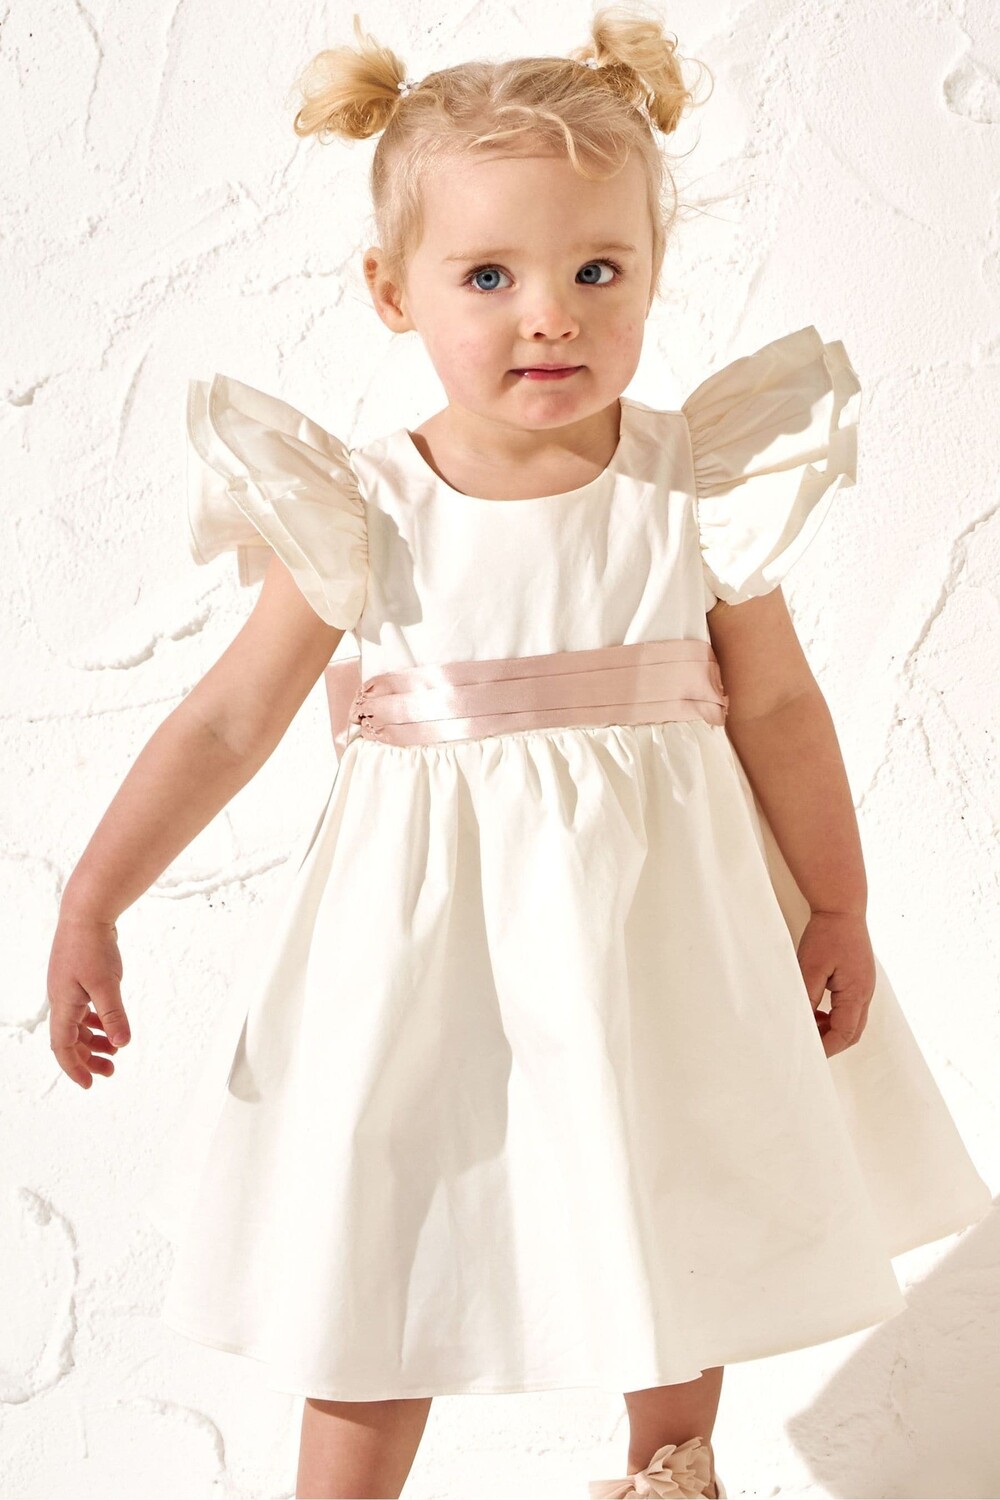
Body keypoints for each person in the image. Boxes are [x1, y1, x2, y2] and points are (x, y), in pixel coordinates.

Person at [46, 7, 993, 1499]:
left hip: (657, 932)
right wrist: (93, 902)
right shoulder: (362, 509)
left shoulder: (694, 484)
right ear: (391, 290)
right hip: (421, 945)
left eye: (596, 271)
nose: (549, 315)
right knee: (383, 1234)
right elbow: (228, 718)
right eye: (489, 276)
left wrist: (838, 901)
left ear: (653, 272)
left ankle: (669, 1473)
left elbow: (780, 708)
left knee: (669, 1200)